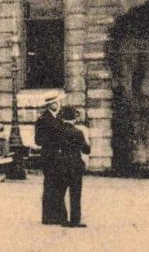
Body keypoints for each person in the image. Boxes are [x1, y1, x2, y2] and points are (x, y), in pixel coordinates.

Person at [56, 105, 91, 228]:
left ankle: (63, 219)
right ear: (74, 118)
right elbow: (86, 150)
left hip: (61, 164)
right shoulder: (78, 132)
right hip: (76, 165)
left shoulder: (58, 131)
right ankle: (75, 220)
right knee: (75, 194)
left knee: (60, 193)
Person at [34, 93, 65, 225]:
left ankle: (57, 216)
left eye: (57, 102)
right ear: (49, 105)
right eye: (54, 103)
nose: (57, 104)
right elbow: (38, 140)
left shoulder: (58, 118)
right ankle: (48, 217)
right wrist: (53, 141)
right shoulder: (43, 119)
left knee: (58, 186)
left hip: (58, 157)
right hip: (49, 157)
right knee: (49, 187)